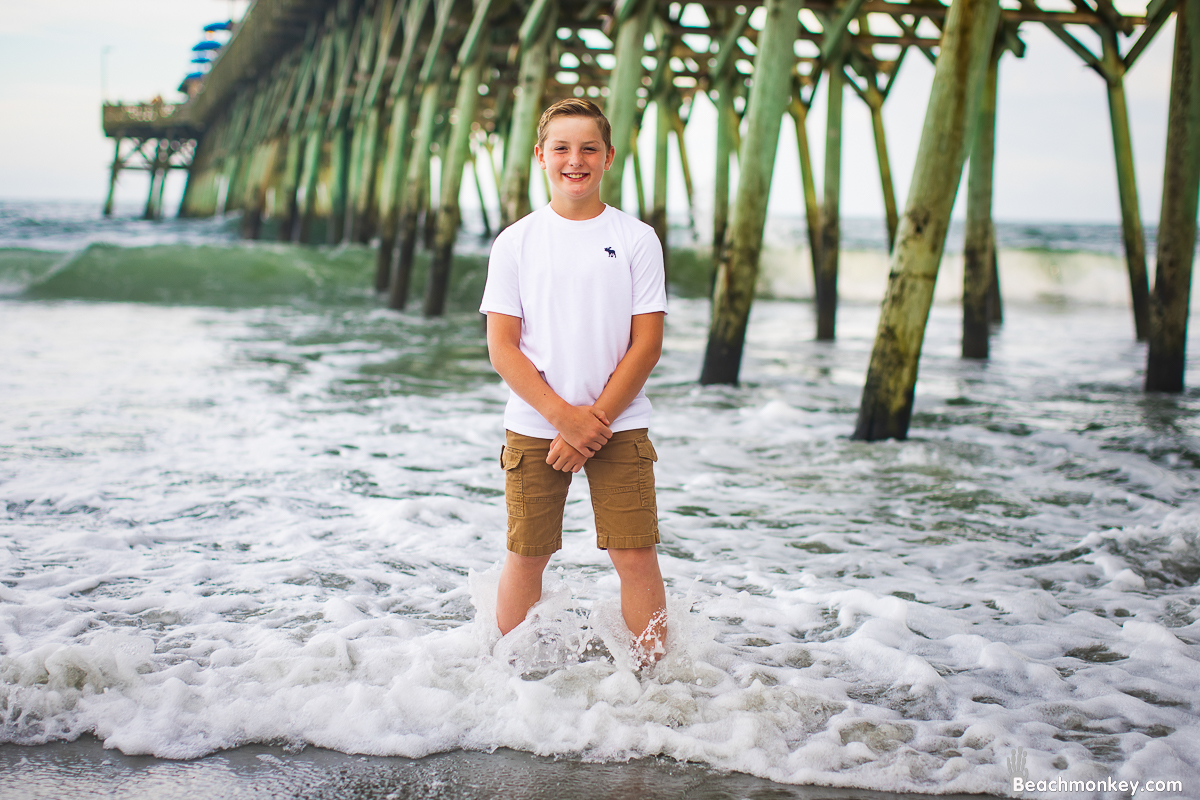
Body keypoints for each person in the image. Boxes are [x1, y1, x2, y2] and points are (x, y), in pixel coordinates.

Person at [479, 98, 668, 665]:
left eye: (589, 148)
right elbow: (502, 348)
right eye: (561, 148)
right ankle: (507, 684)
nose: (575, 160)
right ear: (541, 156)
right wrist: (566, 420)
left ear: (608, 157)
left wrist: (594, 423)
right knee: (527, 555)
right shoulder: (516, 241)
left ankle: (656, 690)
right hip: (537, 426)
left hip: (621, 423)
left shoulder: (637, 238)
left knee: (635, 556)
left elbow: (647, 344)